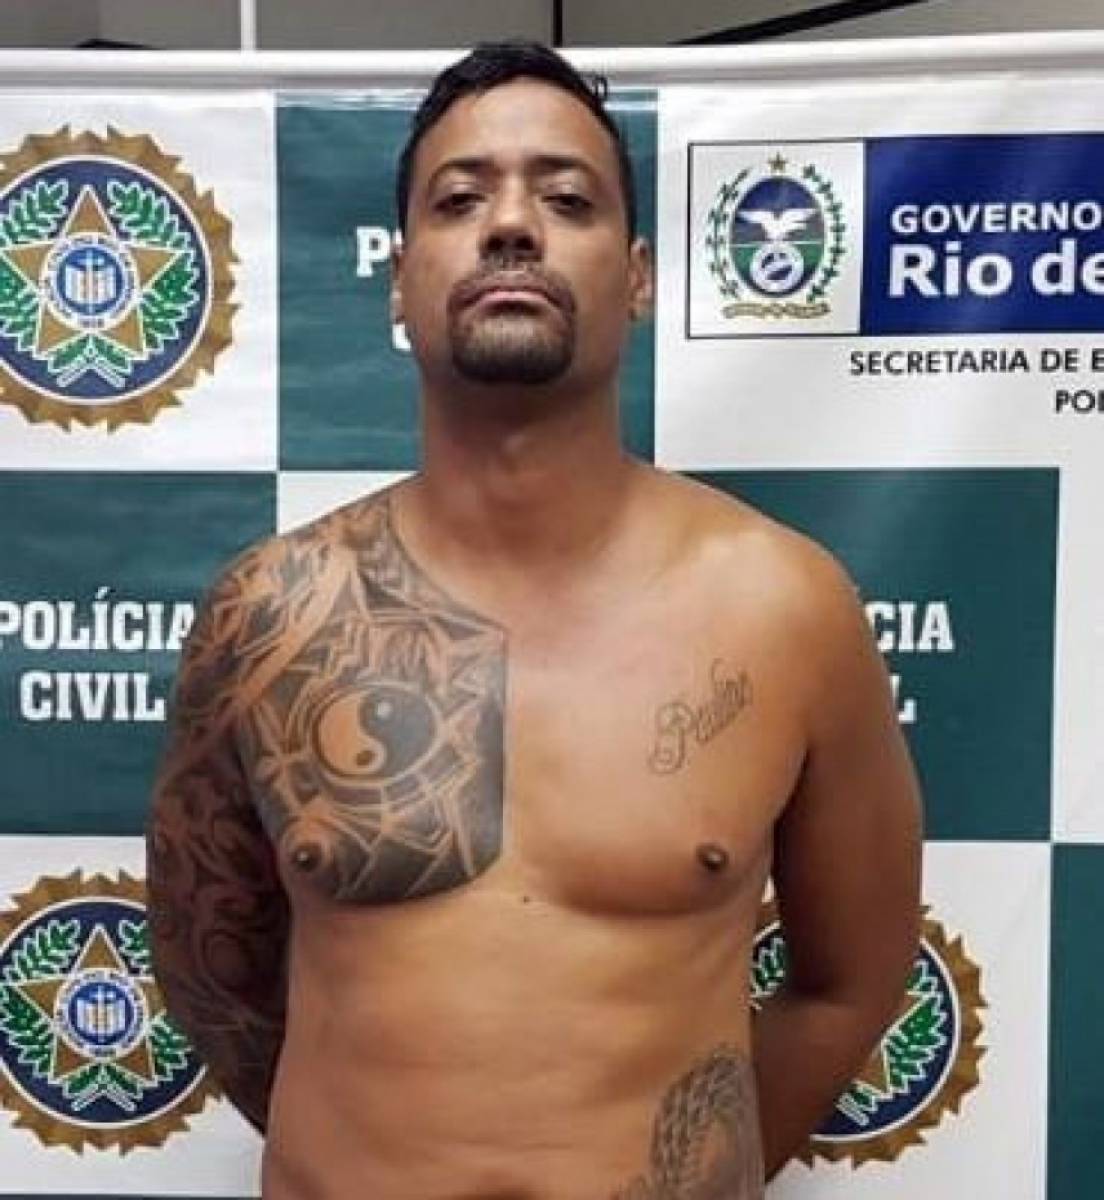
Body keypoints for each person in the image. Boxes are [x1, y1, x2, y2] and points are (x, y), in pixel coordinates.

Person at [147, 41, 922, 1200]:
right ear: (399, 277)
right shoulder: (270, 616)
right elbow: (215, 975)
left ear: (640, 276)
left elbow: (850, 983)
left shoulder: (786, 607)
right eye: (460, 200)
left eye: (567, 199)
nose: (512, 225)